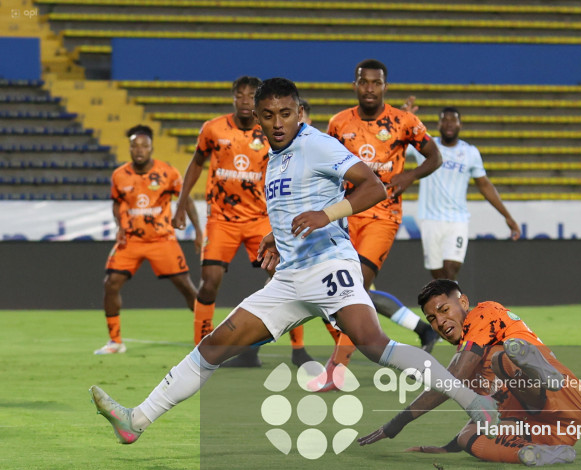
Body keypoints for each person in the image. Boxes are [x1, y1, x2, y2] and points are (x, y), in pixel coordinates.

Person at [90, 78, 499, 446]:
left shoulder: (316, 143)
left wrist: (327, 215)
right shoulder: (273, 160)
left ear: (298, 112)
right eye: (268, 115)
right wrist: (274, 238)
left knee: (375, 346)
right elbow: (294, 208)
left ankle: (474, 402)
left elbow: (374, 187)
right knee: (212, 347)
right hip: (289, 280)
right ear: (258, 119)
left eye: (285, 113)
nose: (277, 122)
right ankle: (136, 420)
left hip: (330, 266)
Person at [358, 279, 581, 466]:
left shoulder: (484, 313)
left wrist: (397, 423)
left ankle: (541, 373)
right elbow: (468, 398)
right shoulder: (468, 358)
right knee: (468, 436)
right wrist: (448, 447)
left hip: (561, 394)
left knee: (501, 358)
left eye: (444, 310)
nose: (440, 322)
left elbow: (452, 380)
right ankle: (532, 454)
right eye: (432, 319)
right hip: (555, 430)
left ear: (464, 302)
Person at [172, 75, 310, 367]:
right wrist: (182, 203)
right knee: (209, 283)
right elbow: (197, 162)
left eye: (251, 96)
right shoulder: (213, 129)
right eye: (240, 95)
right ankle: (201, 351)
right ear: (233, 97)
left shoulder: (270, 130)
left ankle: (298, 349)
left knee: (283, 278)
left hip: (260, 219)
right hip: (221, 220)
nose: (245, 101)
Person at [322, 59, 442, 387]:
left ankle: (337, 370)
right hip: (344, 216)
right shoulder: (338, 123)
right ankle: (420, 331)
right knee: (347, 292)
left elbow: (435, 157)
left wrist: (409, 175)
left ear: (385, 86)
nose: (370, 88)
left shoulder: (404, 122)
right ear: (355, 85)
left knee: (353, 287)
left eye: (377, 83)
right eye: (364, 82)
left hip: (382, 217)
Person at [94, 125, 202, 355]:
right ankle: (115, 341)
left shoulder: (168, 173)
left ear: (152, 147)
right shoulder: (119, 175)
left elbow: (186, 199)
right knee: (110, 283)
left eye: (144, 145)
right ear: (130, 148)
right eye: (135, 145)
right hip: (131, 240)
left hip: (162, 239)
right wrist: (119, 225)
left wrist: (199, 232)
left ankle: (205, 335)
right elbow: (116, 202)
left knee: (185, 286)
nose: (139, 150)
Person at [404, 106, 521, 280]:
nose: (449, 124)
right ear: (439, 124)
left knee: (451, 268)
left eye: (453, 120)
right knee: (438, 275)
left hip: (457, 220)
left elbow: (484, 185)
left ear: (460, 125)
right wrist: (405, 119)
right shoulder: (426, 146)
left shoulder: (470, 153)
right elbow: (397, 146)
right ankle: (449, 304)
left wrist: (507, 216)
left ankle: (456, 306)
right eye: (445, 120)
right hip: (430, 219)